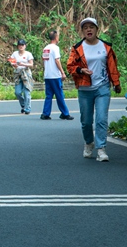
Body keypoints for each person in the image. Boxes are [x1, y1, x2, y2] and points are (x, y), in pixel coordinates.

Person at [67, 17, 121, 162]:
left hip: (102, 88)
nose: (89, 29)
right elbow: (70, 66)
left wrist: (116, 83)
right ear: (82, 31)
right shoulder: (77, 48)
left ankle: (101, 149)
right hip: (85, 89)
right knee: (86, 121)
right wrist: (80, 70)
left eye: (91, 27)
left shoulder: (106, 47)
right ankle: (89, 143)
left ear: (97, 30)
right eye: (85, 28)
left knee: (101, 119)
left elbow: (112, 67)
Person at [40, 30, 73, 120]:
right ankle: (65, 113)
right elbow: (57, 60)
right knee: (59, 94)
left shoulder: (45, 48)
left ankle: (45, 113)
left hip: (47, 75)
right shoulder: (55, 48)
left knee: (49, 95)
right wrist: (62, 72)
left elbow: (44, 61)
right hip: (55, 75)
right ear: (56, 38)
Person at [9, 39, 34, 114]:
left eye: (22, 45)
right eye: (20, 45)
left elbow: (31, 64)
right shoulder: (15, 54)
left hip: (26, 73)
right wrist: (14, 64)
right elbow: (12, 62)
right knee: (17, 92)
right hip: (18, 73)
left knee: (27, 92)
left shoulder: (28, 54)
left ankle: (28, 108)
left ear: (25, 46)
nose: (21, 46)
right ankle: (23, 105)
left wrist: (23, 64)